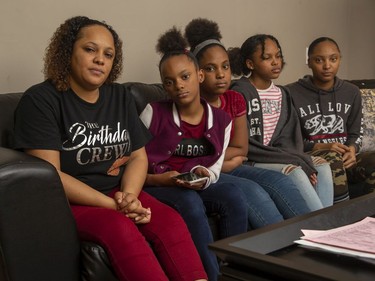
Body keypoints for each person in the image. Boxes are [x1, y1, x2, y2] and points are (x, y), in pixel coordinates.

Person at [13, 16, 207, 281]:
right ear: (68, 51)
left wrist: (128, 196)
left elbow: (138, 156)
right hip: (68, 203)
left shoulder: (119, 96)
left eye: (108, 54)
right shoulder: (40, 100)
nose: (100, 59)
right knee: (120, 227)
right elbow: (51, 175)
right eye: (90, 49)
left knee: (170, 221)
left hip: (117, 193)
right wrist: (115, 207)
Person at [140, 26, 248, 281]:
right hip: (157, 183)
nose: (179, 85)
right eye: (170, 81)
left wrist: (203, 175)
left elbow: (215, 168)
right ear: (164, 86)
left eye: (185, 76)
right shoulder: (152, 112)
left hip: (192, 182)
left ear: (199, 76)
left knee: (233, 194)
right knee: (189, 202)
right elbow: (132, 162)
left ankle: (236, 271)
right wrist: (160, 179)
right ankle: (213, 277)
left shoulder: (222, 120)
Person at [184, 18, 313, 223]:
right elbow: (189, 155)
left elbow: (240, 150)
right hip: (211, 171)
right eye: (210, 69)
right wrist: (220, 163)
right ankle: (283, 248)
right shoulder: (189, 103)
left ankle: (317, 236)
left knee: (281, 181)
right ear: (197, 73)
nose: (220, 74)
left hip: (234, 165)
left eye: (225, 66)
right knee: (255, 192)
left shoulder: (234, 99)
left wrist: (218, 158)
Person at [228, 34, 334, 209]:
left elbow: (288, 138)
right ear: (250, 64)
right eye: (267, 58)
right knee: (297, 172)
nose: (276, 62)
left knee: (323, 167)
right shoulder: (240, 93)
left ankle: (324, 228)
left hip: (277, 154)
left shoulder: (282, 94)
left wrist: (295, 157)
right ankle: (322, 228)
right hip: (253, 159)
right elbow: (246, 144)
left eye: (278, 56)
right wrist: (295, 161)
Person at [286, 37, 375, 201]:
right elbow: (291, 141)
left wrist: (352, 150)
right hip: (312, 156)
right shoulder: (290, 93)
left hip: (345, 157)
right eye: (319, 60)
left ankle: (369, 221)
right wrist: (323, 145)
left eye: (333, 59)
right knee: (333, 160)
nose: (327, 66)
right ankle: (339, 221)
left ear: (339, 59)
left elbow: (356, 133)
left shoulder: (352, 92)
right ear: (309, 61)